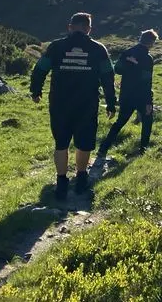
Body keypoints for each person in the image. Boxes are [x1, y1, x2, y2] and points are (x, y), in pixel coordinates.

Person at [30, 12, 115, 200]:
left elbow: (40, 70)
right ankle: (81, 177)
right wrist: (111, 102)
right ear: (89, 29)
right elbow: (108, 77)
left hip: (59, 103)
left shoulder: (56, 47)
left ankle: (61, 183)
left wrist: (35, 91)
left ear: (70, 27)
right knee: (84, 143)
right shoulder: (98, 49)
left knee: (61, 143)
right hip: (87, 104)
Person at [97, 29, 158, 157]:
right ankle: (143, 149)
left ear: (140, 39)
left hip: (126, 94)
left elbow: (117, 69)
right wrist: (148, 101)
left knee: (120, 122)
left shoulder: (127, 53)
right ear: (151, 43)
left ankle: (104, 147)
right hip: (141, 95)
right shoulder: (147, 58)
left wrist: (130, 64)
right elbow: (147, 80)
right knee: (147, 121)